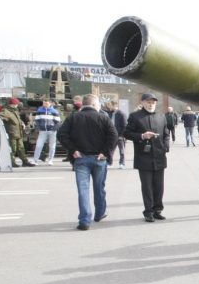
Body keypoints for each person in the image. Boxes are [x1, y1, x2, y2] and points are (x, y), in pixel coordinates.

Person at [56, 94, 118, 230]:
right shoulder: (103, 117)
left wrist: (73, 149)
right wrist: (105, 152)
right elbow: (114, 135)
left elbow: (61, 134)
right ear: (95, 105)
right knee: (99, 188)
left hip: (81, 158)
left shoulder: (73, 117)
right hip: (99, 159)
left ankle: (84, 220)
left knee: (83, 190)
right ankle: (100, 213)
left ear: (83, 105)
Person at [124, 93, 171, 222]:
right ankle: (148, 212)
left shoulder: (161, 116)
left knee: (159, 186)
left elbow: (166, 133)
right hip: (143, 156)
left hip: (159, 156)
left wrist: (166, 147)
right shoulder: (135, 116)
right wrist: (142, 136)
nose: (151, 105)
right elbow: (126, 133)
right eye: (149, 102)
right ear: (143, 102)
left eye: (153, 102)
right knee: (147, 186)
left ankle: (157, 210)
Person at [0, 98, 35, 167]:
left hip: (18, 133)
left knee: (21, 148)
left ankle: (25, 161)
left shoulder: (14, 111)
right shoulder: (6, 111)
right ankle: (11, 162)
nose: (17, 105)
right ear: (12, 104)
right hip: (12, 133)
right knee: (12, 149)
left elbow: (18, 119)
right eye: (16, 104)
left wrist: (22, 123)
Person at [31, 99, 61, 165]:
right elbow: (37, 120)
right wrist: (39, 128)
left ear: (50, 103)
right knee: (38, 145)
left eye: (46, 103)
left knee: (52, 146)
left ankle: (50, 160)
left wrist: (54, 129)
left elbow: (58, 122)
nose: (45, 105)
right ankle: (35, 160)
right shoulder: (40, 110)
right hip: (43, 131)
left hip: (52, 131)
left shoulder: (54, 111)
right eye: (44, 103)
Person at [104, 100, 128, 168]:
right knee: (111, 150)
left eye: (110, 105)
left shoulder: (121, 114)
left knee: (122, 151)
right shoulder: (110, 113)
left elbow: (125, 126)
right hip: (112, 136)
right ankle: (109, 163)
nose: (109, 107)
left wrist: (121, 135)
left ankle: (122, 164)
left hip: (120, 136)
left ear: (115, 105)